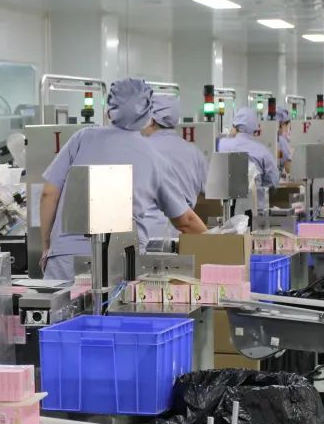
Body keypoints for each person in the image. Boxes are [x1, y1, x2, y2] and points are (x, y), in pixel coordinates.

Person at [39, 78, 208, 281]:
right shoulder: (154, 158)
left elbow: (49, 194)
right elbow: (186, 221)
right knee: (112, 302)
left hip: (65, 259)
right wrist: (218, 245)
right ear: (147, 114)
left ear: (110, 109)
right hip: (120, 262)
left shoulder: (82, 138)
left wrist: (48, 245)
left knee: (60, 302)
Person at [140, 96, 208, 245]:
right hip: (183, 234)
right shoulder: (195, 153)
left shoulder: (140, 150)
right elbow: (208, 191)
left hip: (146, 234)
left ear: (150, 120)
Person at [217, 108, 280, 188]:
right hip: (256, 195)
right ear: (255, 129)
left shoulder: (221, 145)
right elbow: (273, 181)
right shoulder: (264, 152)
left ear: (235, 126)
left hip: (225, 195)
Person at [275, 107, 293, 175]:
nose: (287, 129)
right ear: (282, 124)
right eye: (287, 125)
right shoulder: (281, 141)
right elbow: (288, 168)